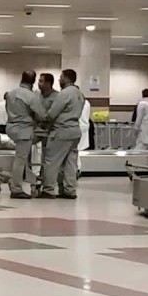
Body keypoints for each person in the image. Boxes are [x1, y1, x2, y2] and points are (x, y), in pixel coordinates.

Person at [39, 69, 86, 199]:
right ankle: (70, 190)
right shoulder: (80, 94)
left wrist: (43, 121)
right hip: (75, 131)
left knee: (52, 161)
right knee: (70, 163)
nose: (59, 80)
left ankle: (48, 189)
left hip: (61, 131)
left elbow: (52, 113)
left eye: (61, 77)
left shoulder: (64, 93)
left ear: (66, 78)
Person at [4, 71, 41, 199]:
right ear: (33, 81)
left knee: (19, 158)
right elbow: (41, 114)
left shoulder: (11, 93)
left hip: (11, 127)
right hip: (24, 130)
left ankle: (15, 181)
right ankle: (16, 188)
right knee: (20, 160)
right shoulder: (31, 96)